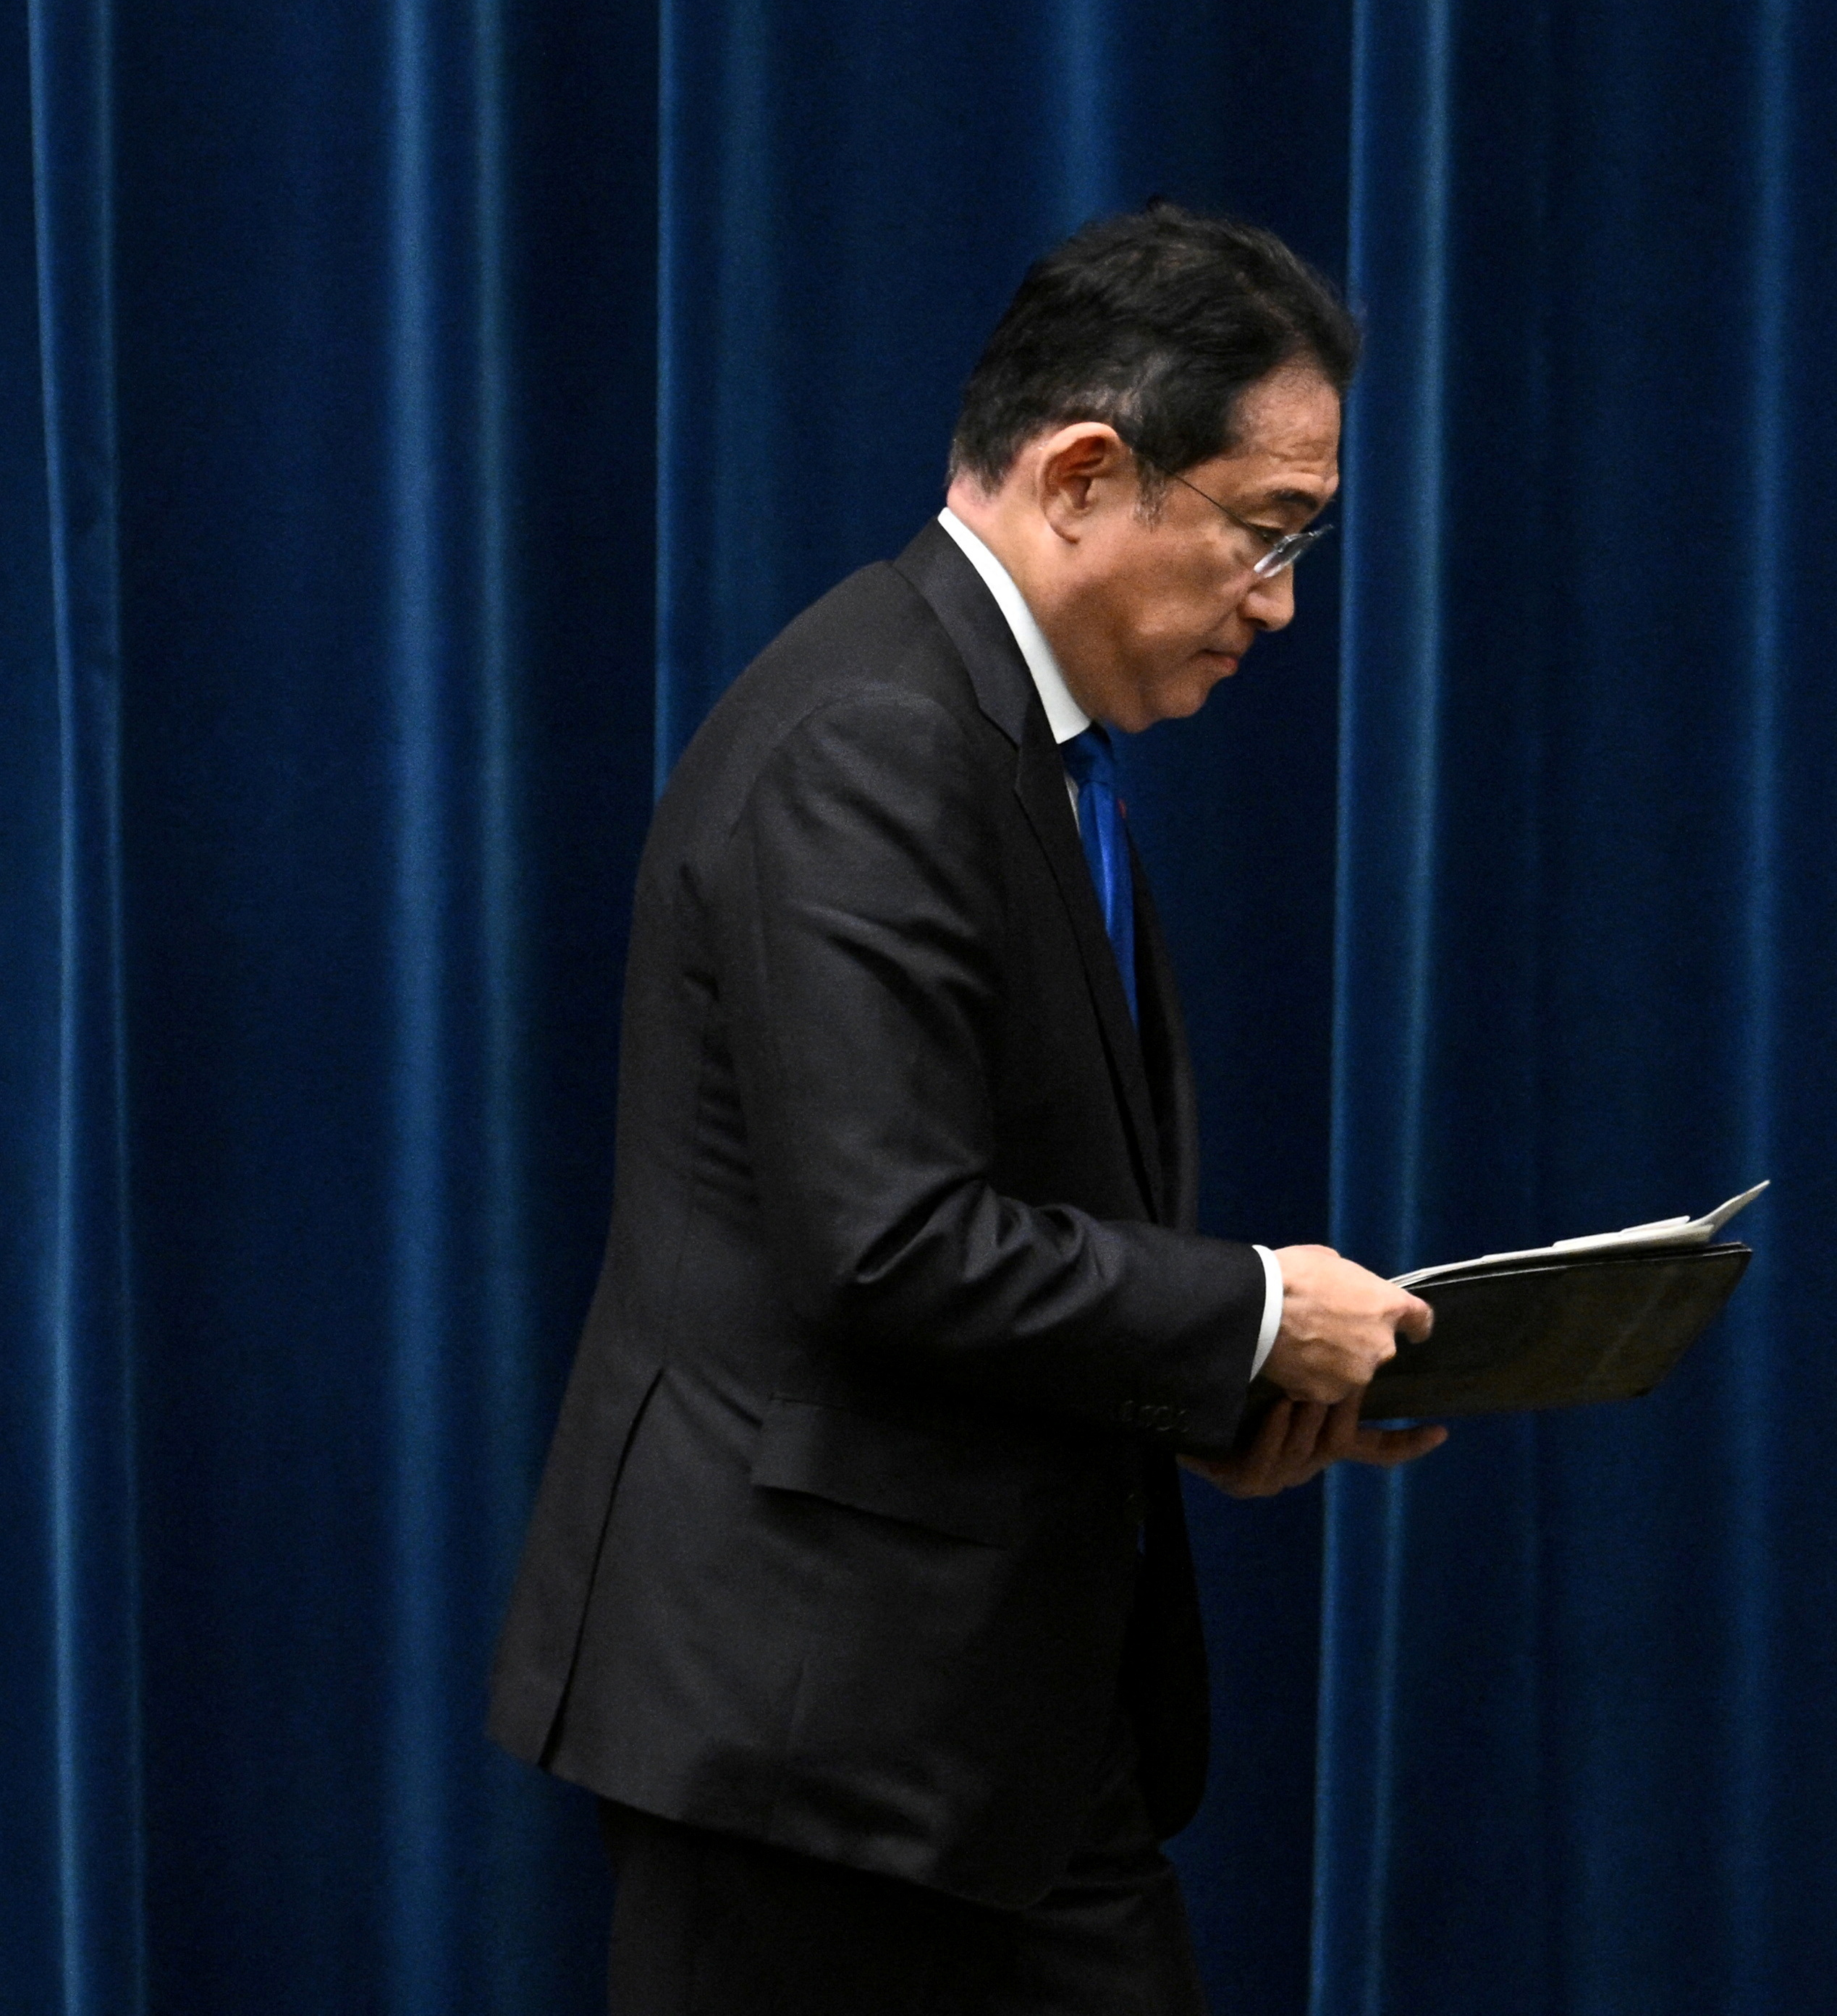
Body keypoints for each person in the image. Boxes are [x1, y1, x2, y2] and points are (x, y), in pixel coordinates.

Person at [488, 205, 1441, 2015]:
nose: (1284, 605)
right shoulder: (879, 733)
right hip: (809, 1736)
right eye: (1268, 533)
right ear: (1087, 472)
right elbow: (891, 1241)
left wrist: (1209, 1396)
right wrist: (1251, 1311)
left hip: (979, 1722)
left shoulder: (1006, 732)